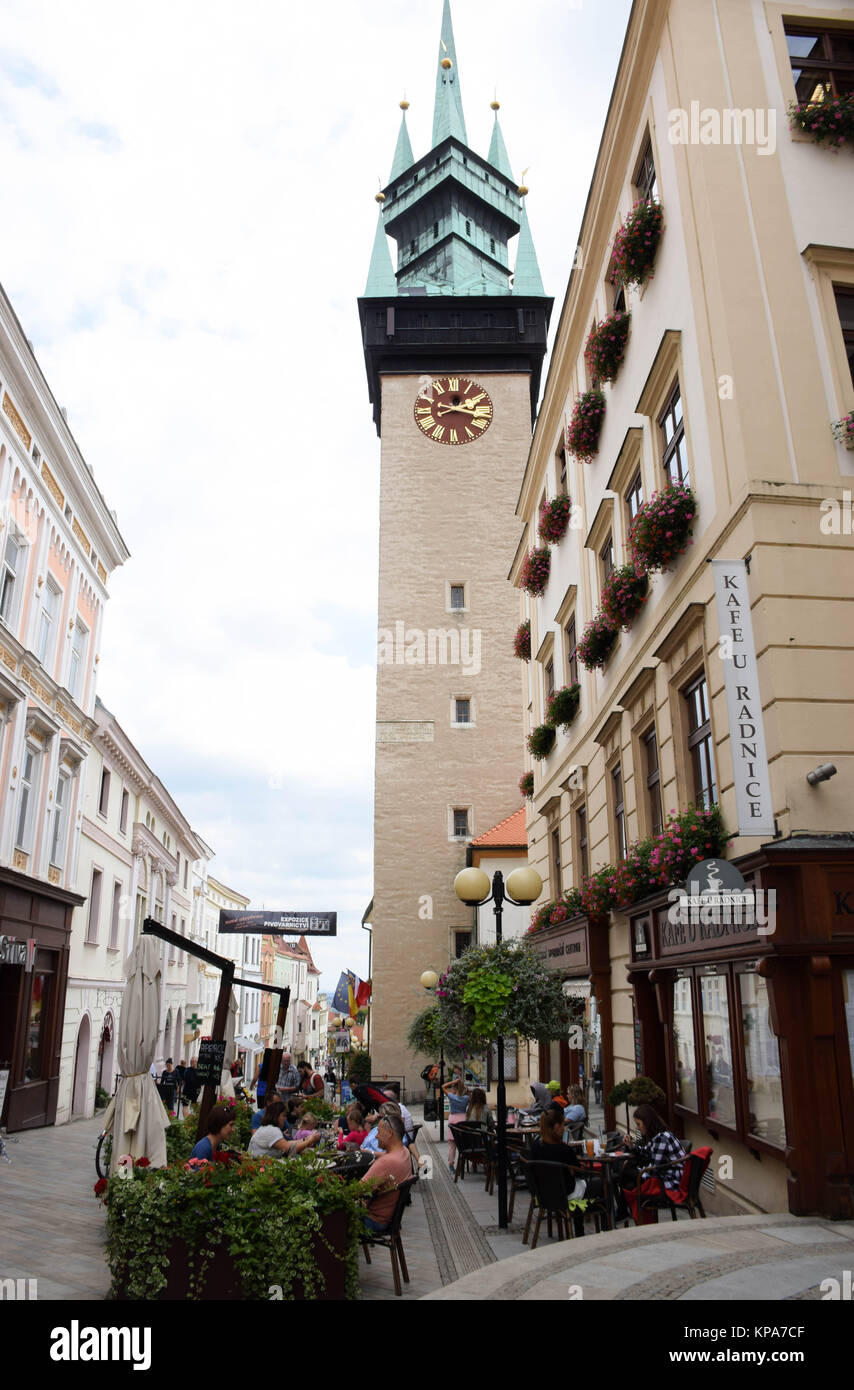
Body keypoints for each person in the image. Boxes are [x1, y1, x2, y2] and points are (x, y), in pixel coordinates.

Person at [619, 1104, 689, 1224]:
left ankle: (624, 1213)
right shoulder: (660, 1136)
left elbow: (654, 1170)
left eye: (639, 1124)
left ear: (647, 1123)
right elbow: (646, 1153)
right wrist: (631, 1146)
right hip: (667, 1176)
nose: (638, 1128)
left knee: (627, 1175)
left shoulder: (662, 1138)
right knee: (628, 1176)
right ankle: (625, 1212)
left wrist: (639, 1173)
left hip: (671, 1182)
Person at [531, 1105, 590, 1236]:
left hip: (543, 1194)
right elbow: (579, 1172)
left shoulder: (535, 1146)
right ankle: (600, 1229)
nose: (564, 1129)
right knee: (599, 1185)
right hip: (565, 1193)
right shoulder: (564, 1150)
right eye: (563, 1125)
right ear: (556, 1127)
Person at [358, 1114, 413, 1233]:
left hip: (374, 1220)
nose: (376, 1136)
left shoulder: (386, 1162)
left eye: (378, 1131)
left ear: (390, 1133)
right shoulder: (404, 1152)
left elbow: (357, 1190)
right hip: (390, 1219)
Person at [247, 1100, 323, 1158]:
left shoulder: (266, 1128)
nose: (285, 1119)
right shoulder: (272, 1131)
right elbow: (290, 1150)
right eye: (283, 1116)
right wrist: (310, 1141)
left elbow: (287, 1143)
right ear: (276, 1116)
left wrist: (305, 1139)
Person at [442, 1072, 470, 1172]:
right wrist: (464, 1087)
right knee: (462, 1144)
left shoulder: (451, 1097)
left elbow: (443, 1086)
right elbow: (469, 1093)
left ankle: (451, 1165)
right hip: (463, 1120)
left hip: (453, 1120)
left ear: (455, 1088)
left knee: (452, 1145)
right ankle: (462, 1163)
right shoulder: (466, 1098)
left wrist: (455, 1081)